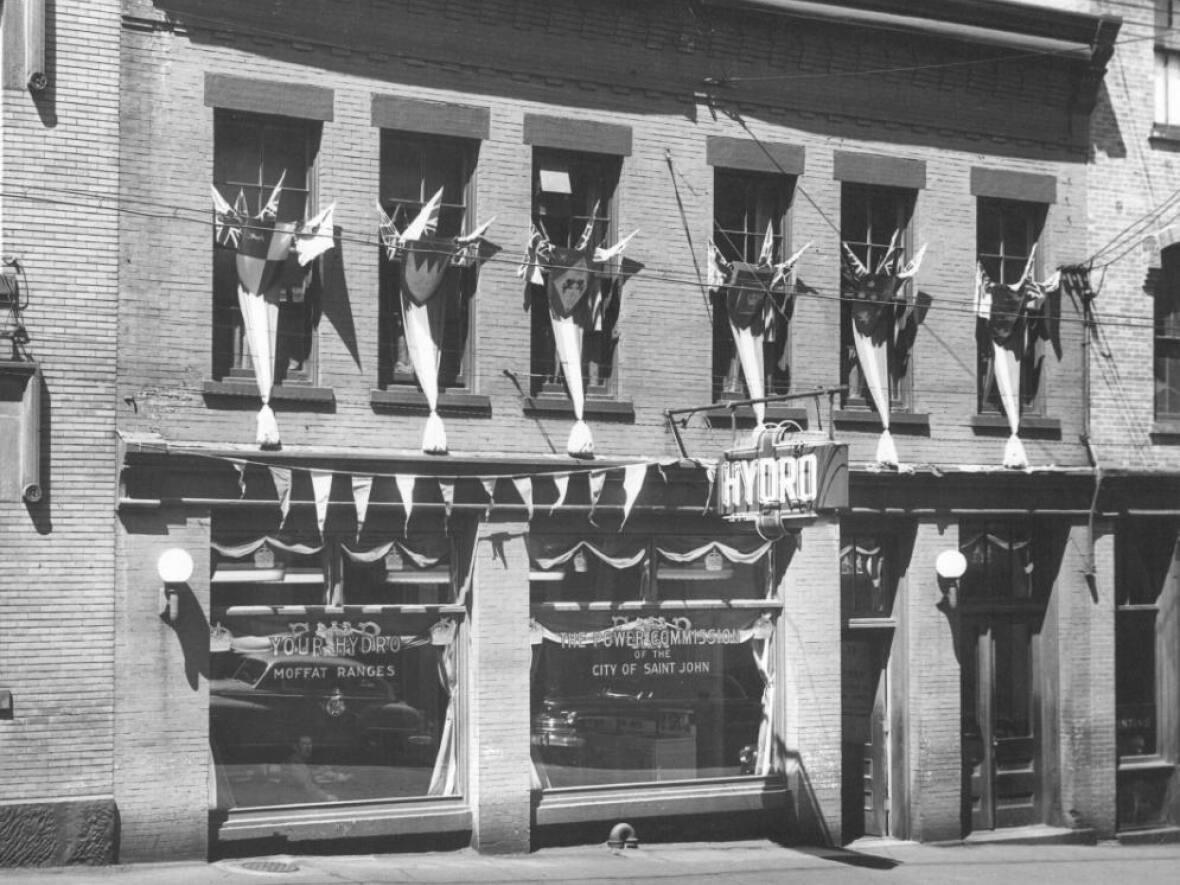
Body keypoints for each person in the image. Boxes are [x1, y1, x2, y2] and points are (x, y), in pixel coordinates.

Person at [283, 735, 338, 802]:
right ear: (296, 747)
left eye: (309, 744)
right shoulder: (294, 763)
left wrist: (320, 772)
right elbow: (307, 786)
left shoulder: (300, 761)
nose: (308, 747)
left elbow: (306, 776)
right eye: (304, 744)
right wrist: (326, 797)